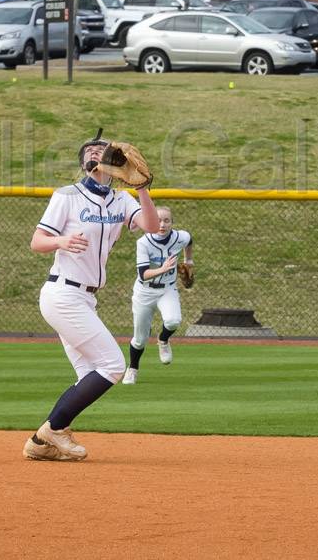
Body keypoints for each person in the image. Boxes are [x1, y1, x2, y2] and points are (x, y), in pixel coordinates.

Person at [24, 131, 160, 461]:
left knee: (90, 374)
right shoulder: (66, 196)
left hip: (85, 298)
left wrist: (141, 189)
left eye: (108, 150)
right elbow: (37, 242)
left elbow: (153, 227)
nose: (106, 153)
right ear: (88, 163)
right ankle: (51, 432)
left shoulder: (121, 200)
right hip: (62, 292)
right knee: (113, 365)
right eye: (97, 151)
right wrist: (61, 241)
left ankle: (44, 442)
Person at [123, 206, 193, 384]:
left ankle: (163, 340)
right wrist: (163, 269)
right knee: (139, 339)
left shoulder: (179, 237)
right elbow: (143, 274)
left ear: (172, 223)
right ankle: (132, 369)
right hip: (144, 292)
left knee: (173, 321)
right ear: (152, 221)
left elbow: (189, 240)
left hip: (167, 289)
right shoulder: (144, 243)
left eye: (166, 220)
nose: (162, 224)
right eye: (158, 220)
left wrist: (188, 261)